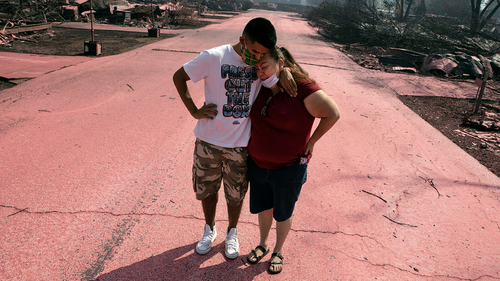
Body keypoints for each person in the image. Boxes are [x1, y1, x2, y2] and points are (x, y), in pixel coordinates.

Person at [172, 17, 296, 260]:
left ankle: (232, 232)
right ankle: (209, 229)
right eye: (252, 51)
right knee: (207, 190)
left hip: (240, 145)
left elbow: (277, 80)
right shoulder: (213, 57)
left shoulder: (261, 65)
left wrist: (287, 70)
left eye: (262, 54)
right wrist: (193, 110)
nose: (256, 58)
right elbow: (179, 76)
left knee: (236, 193)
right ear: (242, 40)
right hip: (208, 140)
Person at [245, 46, 340, 273]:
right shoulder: (261, 85)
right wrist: (276, 71)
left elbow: (333, 113)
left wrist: (313, 141)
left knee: (283, 212)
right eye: (257, 68)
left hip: (288, 168)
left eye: (264, 67)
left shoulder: (302, 89)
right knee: (264, 208)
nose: (260, 73)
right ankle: (263, 244)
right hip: (258, 165)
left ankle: (278, 250)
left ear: (280, 62)